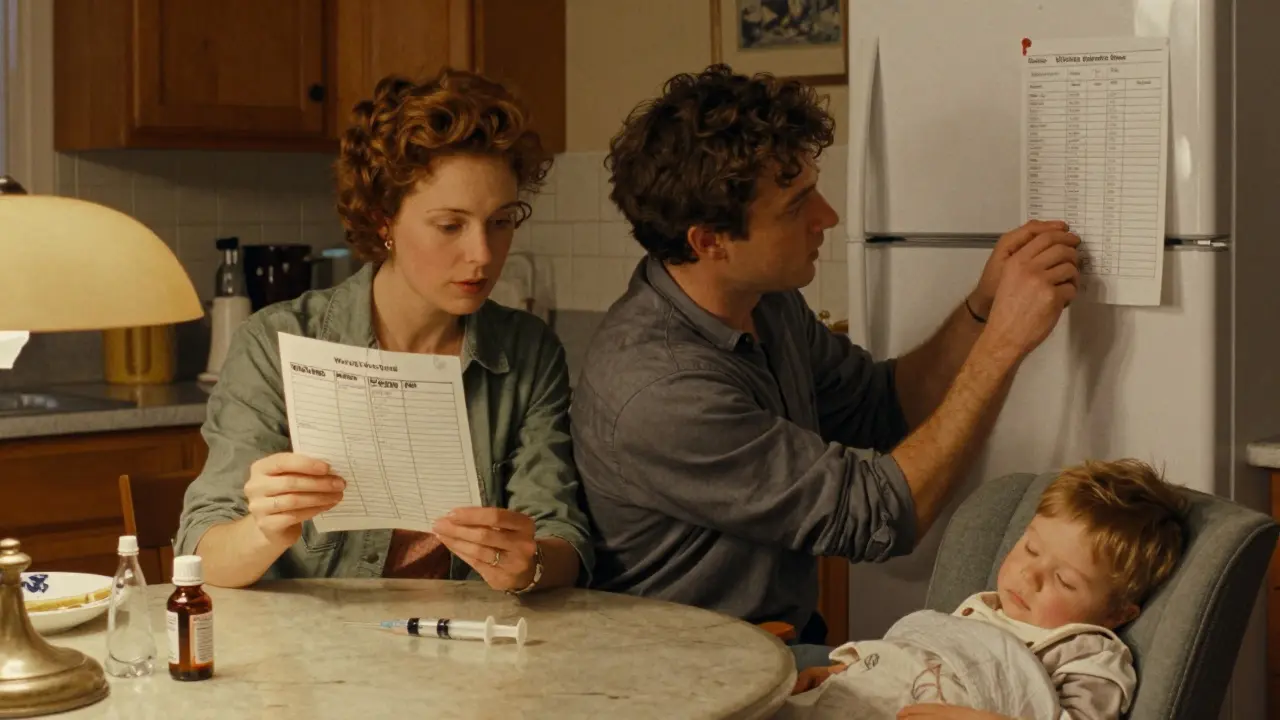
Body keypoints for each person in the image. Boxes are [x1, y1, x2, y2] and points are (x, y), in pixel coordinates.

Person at [569, 64, 1080, 663]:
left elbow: (879, 405)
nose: (829, 218)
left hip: (771, 646)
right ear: (710, 241)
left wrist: (979, 310)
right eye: (796, 206)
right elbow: (880, 516)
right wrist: (1003, 345)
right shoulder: (659, 388)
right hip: (681, 679)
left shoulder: (766, 301)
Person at [175, 69, 592, 593]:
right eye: (450, 225)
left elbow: (561, 536)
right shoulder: (276, 342)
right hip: (308, 655)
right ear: (382, 222)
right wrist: (263, 529)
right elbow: (204, 556)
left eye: (502, 221)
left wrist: (528, 566)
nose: (483, 254)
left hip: (464, 647)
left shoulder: (528, 352)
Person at [780, 458, 1188, 720]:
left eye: (1064, 580)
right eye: (1030, 548)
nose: (1029, 576)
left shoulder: (1087, 653)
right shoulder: (982, 612)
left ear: (1118, 613)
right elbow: (915, 660)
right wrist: (845, 674)